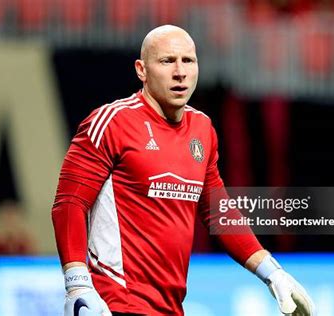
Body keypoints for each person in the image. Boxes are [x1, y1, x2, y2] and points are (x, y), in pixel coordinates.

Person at [52, 25, 315, 316]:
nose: (180, 72)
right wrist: (77, 286)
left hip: (171, 308)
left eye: (188, 61)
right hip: (115, 303)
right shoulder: (111, 122)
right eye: (167, 61)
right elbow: (70, 203)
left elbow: (219, 212)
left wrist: (273, 274)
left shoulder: (202, 129)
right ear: (142, 70)